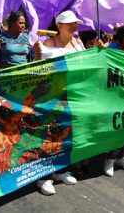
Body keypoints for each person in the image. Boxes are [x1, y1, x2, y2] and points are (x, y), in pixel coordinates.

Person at [33, 10, 84, 195]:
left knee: (66, 135)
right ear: (59, 26)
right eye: (70, 23)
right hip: (51, 98)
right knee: (49, 135)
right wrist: (38, 55)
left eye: (76, 23)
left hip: (73, 96)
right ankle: (43, 177)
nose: (74, 26)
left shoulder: (78, 43)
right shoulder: (47, 44)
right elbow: (36, 71)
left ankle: (60, 170)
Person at [103, 25, 124, 176]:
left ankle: (122, 157)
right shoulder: (111, 51)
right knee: (118, 128)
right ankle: (110, 159)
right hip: (114, 97)